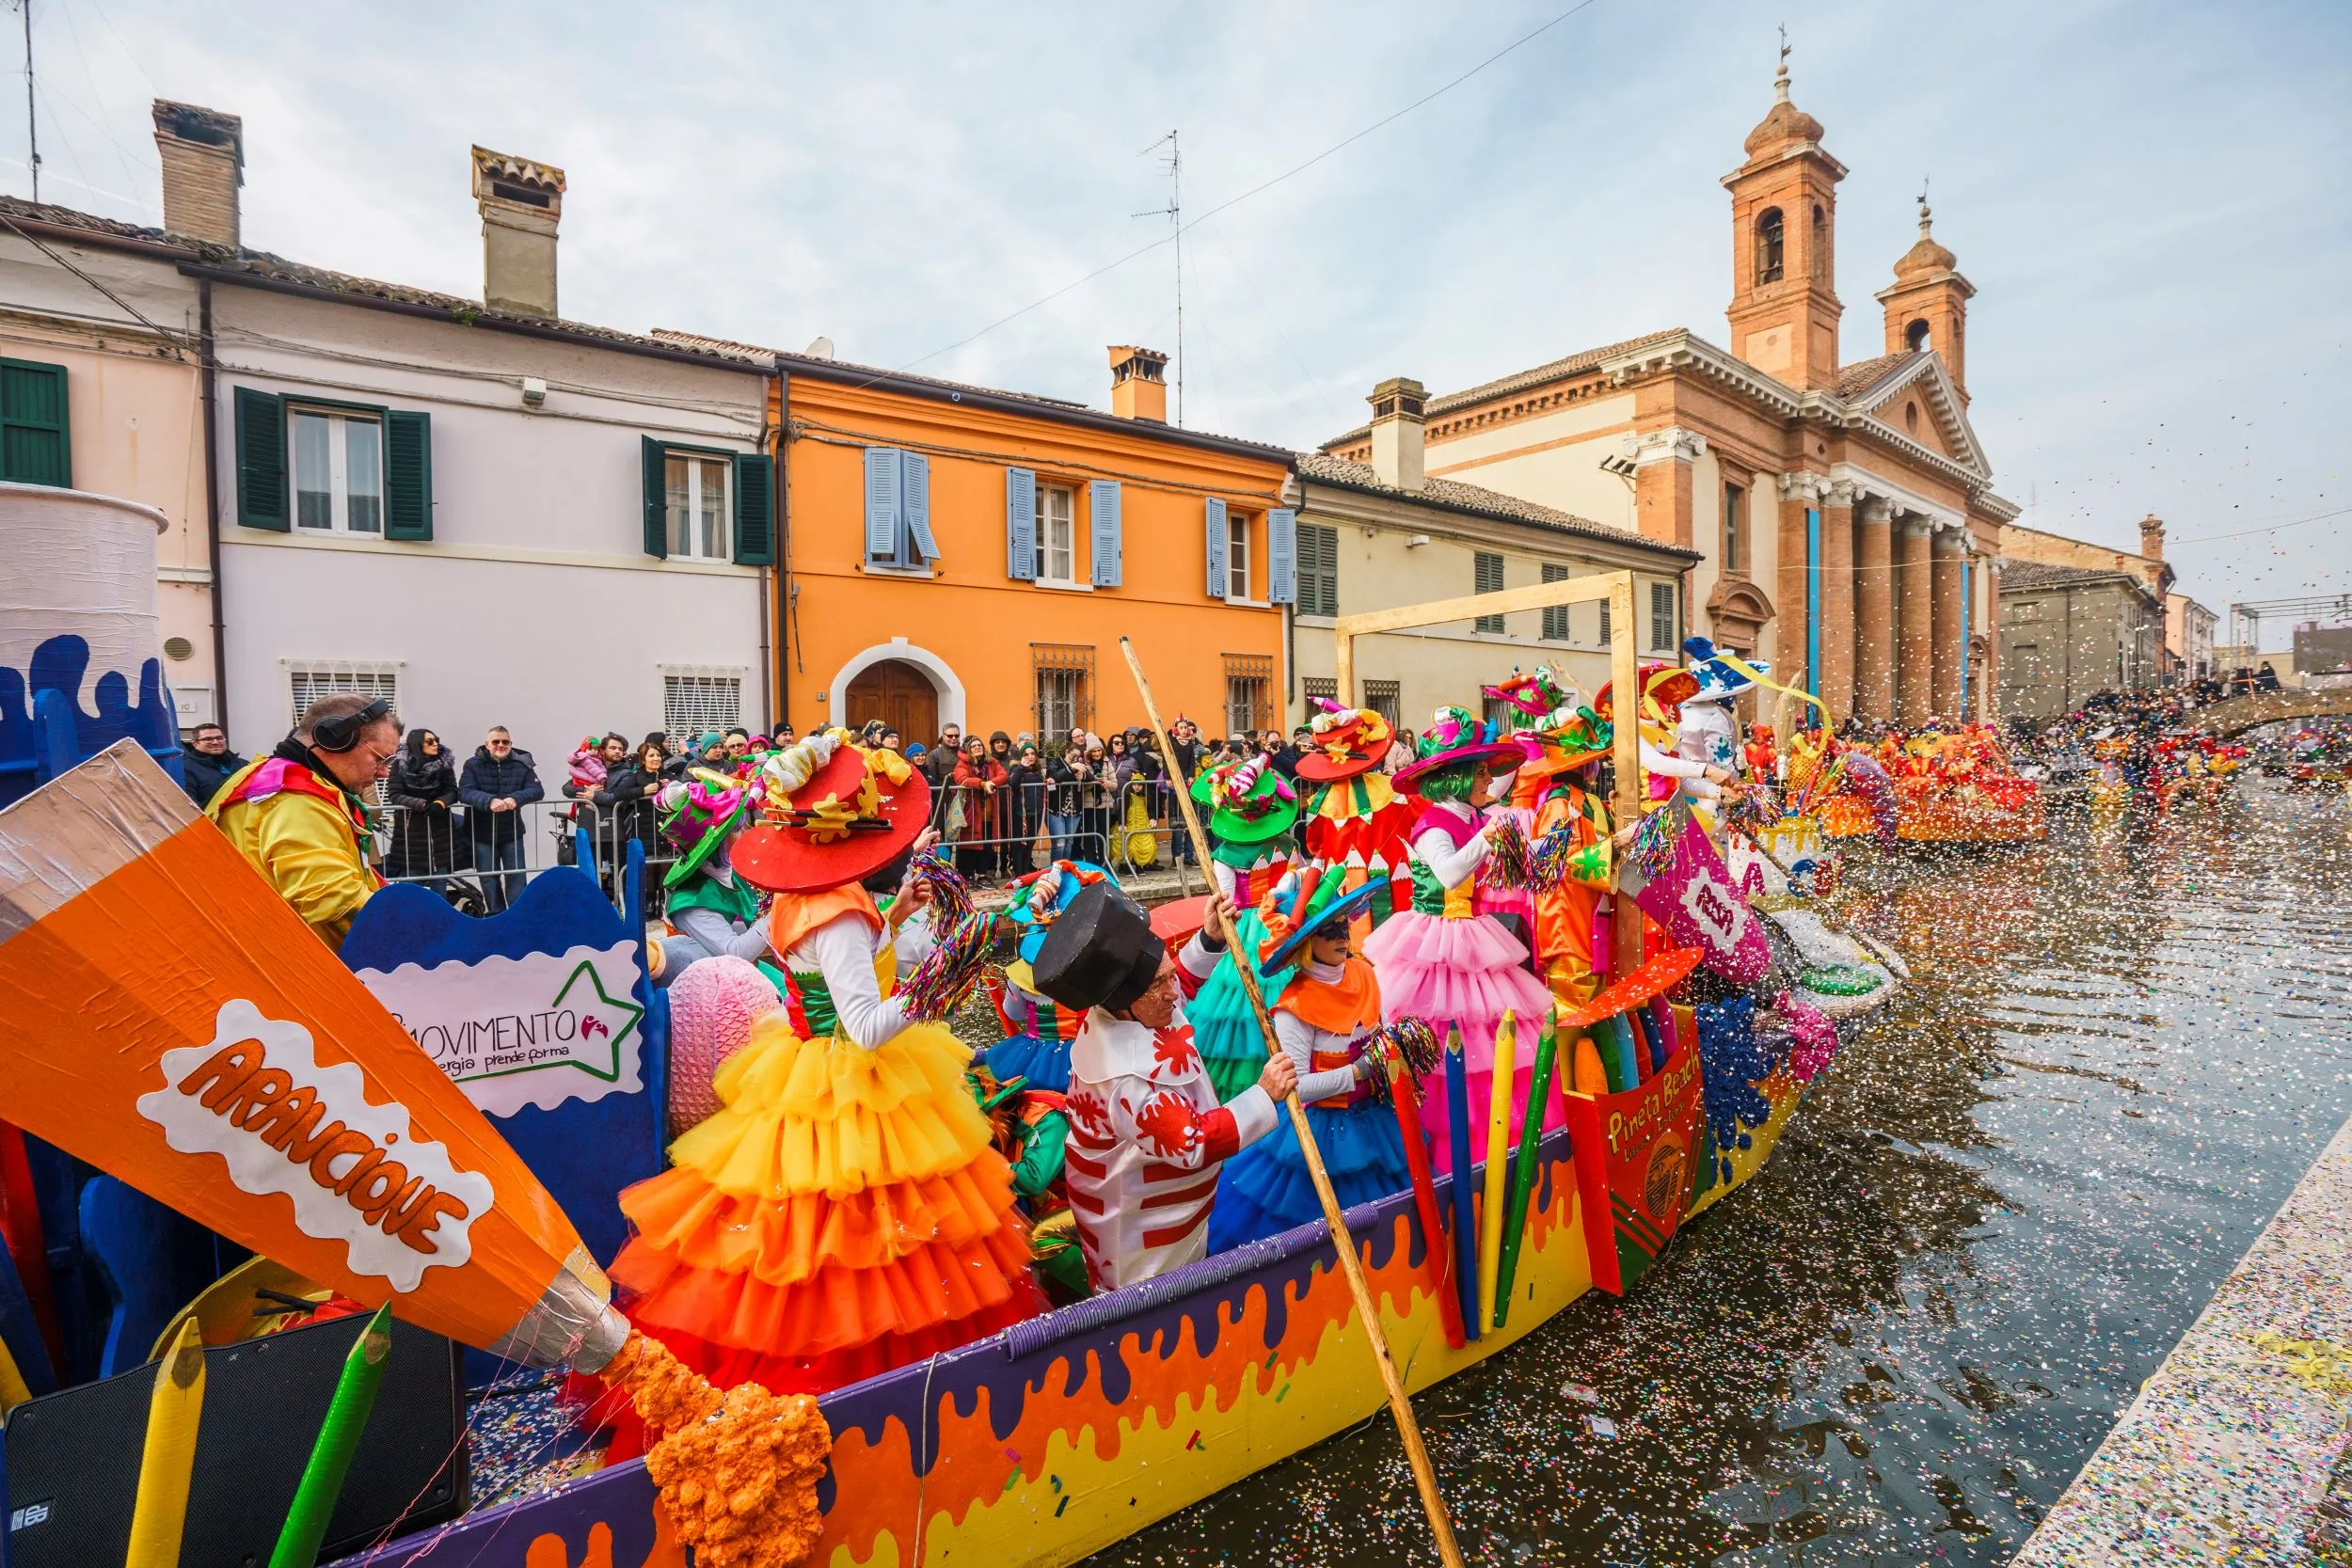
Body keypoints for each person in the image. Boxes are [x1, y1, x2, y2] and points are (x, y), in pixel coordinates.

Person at [612, 728, 1041, 1394]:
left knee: (804, 1232)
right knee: (861, 1243)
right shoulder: (837, 913)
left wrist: (892, 916)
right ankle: (870, 1386)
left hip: (809, 1062)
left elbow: (838, 974)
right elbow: (866, 1026)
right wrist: (935, 980)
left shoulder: (803, 896)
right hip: (849, 1082)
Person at [1029, 881, 1296, 1290]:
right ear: (1125, 1000)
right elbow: (1191, 1142)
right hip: (1137, 1222)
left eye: (1168, 975)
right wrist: (1264, 1094)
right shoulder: (1123, 1078)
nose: (1174, 992)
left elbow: (1179, 991)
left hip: (1165, 1204)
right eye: (1159, 984)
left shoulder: (1135, 1010)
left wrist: (1208, 939)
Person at [1361, 708, 1555, 1167]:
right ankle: (1443, 1143)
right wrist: (1489, 833)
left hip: (1471, 932)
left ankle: (1491, 1140)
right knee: (1444, 1033)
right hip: (1434, 939)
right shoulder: (1434, 823)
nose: (1490, 781)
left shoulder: (1471, 816)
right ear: (1459, 778)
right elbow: (1449, 874)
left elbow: (1516, 863)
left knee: (1485, 1041)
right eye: (1483, 772)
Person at [1208, 871, 1405, 1252]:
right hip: (1323, 1129)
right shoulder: (1294, 1007)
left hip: (1373, 1118)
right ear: (1305, 942)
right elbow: (1295, 1085)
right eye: (1328, 930)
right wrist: (1358, 1072)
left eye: (1343, 925)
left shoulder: (1365, 973)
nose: (1342, 937)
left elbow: (1378, 1030)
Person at [208, 692, 399, 951]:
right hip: (287, 961)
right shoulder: (295, 800)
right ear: (336, 740)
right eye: (379, 758)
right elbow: (333, 899)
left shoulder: (263, 777)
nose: (385, 771)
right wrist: (411, 941)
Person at [1181, 753, 1302, 1101]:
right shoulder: (1288, 845)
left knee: (1247, 1005)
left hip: (1254, 925)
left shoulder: (1224, 856)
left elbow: (1226, 902)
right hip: (1281, 924)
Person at [1293, 701, 1416, 930]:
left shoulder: (1318, 803)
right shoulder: (1394, 789)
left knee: (1346, 944)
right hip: (1396, 886)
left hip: (1342, 890)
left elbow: (1313, 845)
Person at [648, 771, 767, 984]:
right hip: (711, 992)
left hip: (744, 976)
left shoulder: (730, 872)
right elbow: (735, 953)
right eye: (737, 830)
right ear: (717, 845)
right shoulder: (691, 901)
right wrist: (781, 912)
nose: (746, 833)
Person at [459, 725, 544, 914]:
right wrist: (489, 800)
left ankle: (517, 916)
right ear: (487, 744)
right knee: (488, 877)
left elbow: (537, 790)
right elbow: (464, 792)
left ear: (511, 744)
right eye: (496, 741)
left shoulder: (522, 764)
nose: (500, 745)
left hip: (511, 831)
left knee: (516, 876)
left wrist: (516, 798)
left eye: (505, 742)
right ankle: (496, 916)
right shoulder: (472, 764)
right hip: (481, 832)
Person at [386, 727, 466, 895]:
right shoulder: (400, 764)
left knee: (440, 877)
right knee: (412, 880)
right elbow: (394, 794)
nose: (435, 743)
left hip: (440, 826)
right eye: (430, 741)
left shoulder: (444, 764)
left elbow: (453, 790)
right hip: (412, 828)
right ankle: (411, 919)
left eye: (436, 739)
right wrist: (420, 804)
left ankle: (441, 918)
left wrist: (440, 803)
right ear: (417, 744)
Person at [950, 734, 1008, 878]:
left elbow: (1003, 775)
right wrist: (982, 784)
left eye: (979, 745)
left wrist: (991, 782)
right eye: (973, 746)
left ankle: (982, 875)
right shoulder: (962, 763)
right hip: (971, 811)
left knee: (987, 846)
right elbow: (962, 779)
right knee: (968, 845)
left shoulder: (991, 762)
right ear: (968, 749)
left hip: (988, 812)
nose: (977, 748)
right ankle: (966, 876)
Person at [180, 721, 247, 808]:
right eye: (208, 739)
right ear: (195, 744)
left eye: (219, 738)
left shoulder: (243, 764)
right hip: (210, 820)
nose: (215, 742)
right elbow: (189, 805)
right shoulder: (186, 768)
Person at [1004, 742, 1044, 875]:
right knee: (1019, 844)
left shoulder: (1039, 771)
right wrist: (1022, 767)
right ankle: (1019, 873)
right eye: (1026, 754)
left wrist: (1048, 781)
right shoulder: (1016, 768)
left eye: (1032, 754)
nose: (1030, 757)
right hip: (1021, 812)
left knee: (1030, 843)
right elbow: (1013, 782)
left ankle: (1027, 871)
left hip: (1036, 811)